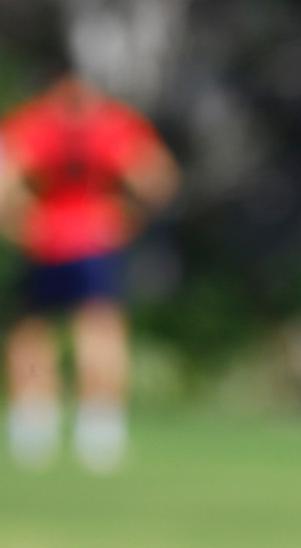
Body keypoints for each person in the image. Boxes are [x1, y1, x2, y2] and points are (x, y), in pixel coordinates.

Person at [1, 75, 179, 473]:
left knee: (53, 331)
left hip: (58, 240)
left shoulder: (39, 123)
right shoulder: (106, 124)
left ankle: (55, 426)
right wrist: (125, 216)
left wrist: (21, 219)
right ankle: (82, 427)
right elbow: (158, 179)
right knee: (76, 331)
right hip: (82, 242)